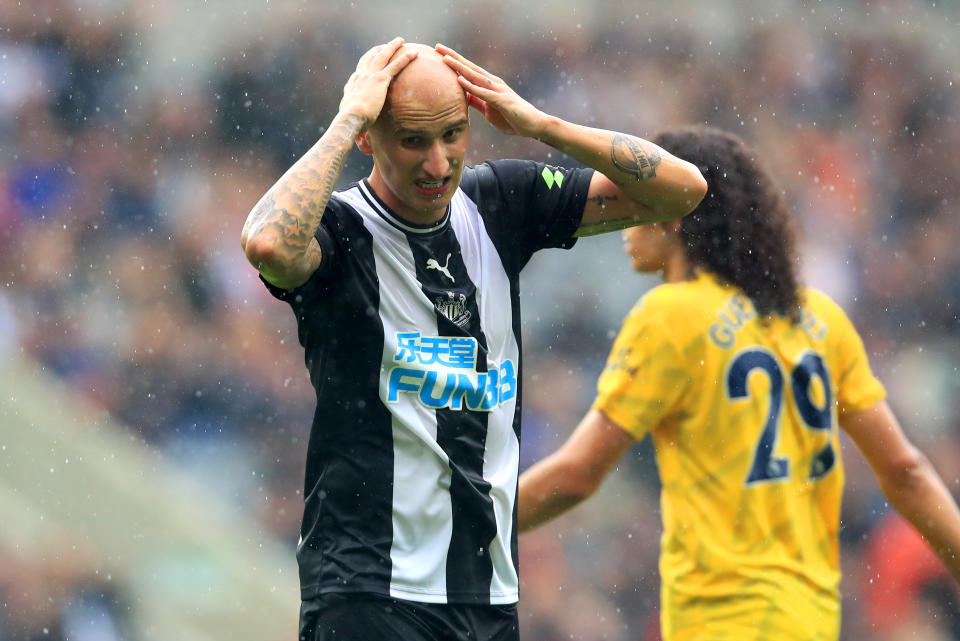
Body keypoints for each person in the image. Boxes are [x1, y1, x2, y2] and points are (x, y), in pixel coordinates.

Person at [240, 37, 707, 641]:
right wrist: (349, 114)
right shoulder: (339, 233)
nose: (438, 163)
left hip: (487, 598)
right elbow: (269, 245)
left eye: (452, 135)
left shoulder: (499, 204)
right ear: (369, 139)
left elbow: (683, 190)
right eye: (412, 140)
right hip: (369, 591)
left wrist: (540, 124)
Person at [517, 126, 960, 640]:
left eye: (630, 196)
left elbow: (576, 475)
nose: (619, 214)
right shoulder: (819, 319)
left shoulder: (671, 317)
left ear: (676, 212)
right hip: (812, 621)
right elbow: (905, 470)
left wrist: (467, 527)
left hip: (724, 620)